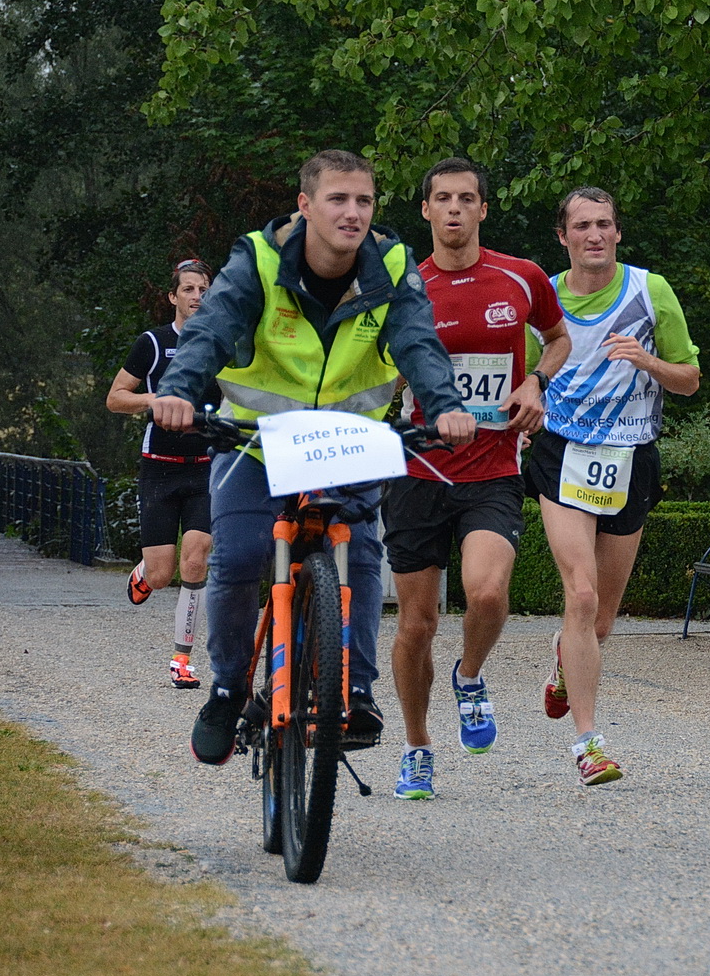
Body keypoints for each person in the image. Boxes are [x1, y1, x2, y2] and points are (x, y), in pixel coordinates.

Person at [150, 149, 475, 766]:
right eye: (337, 199)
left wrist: (444, 406)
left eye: (364, 201)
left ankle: (355, 688)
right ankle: (227, 687)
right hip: (256, 442)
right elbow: (211, 330)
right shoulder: (259, 258)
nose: (353, 213)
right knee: (239, 557)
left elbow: (417, 340)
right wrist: (177, 392)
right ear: (305, 205)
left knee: (362, 552)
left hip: (347, 442)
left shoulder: (392, 263)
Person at [383, 158, 570, 800]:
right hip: (419, 470)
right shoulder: (404, 288)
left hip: (492, 467)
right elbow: (378, 372)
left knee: (486, 594)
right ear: (426, 210)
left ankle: (469, 677)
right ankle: (416, 747)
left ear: (483, 209)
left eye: (467, 198)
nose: (455, 209)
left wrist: (535, 383)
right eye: (443, 198)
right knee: (417, 625)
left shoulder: (520, 276)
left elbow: (558, 339)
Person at [526, 186, 699, 786]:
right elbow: (525, 375)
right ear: (563, 237)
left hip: (631, 456)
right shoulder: (543, 296)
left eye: (604, 224)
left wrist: (647, 361)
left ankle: (564, 661)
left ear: (618, 232)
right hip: (562, 454)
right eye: (582, 226)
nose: (594, 235)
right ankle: (588, 745)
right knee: (580, 595)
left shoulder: (650, 291)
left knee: (598, 622)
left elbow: (690, 378)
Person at [106, 259, 221, 689]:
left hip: (206, 467)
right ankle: (144, 573)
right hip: (159, 468)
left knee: (196, 556)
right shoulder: (154, 343)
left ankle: (182, 659)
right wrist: (155, 400)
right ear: (173, 297)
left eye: (204, 290)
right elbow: (116, 398)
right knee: (161, 573)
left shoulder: (223, 343)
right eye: (188, 289)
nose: (197, 297)